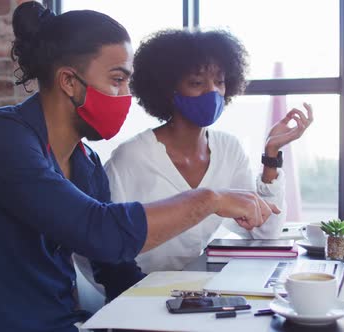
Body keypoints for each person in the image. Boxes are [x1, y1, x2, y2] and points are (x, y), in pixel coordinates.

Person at [0, 3, 278, 332]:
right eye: (117, 80)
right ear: (69, 82)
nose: (126, 96)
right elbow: (99, 233)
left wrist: (191, 305)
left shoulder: (85, 162)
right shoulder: (0, 138)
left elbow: (115, 269)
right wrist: (208, 199)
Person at [77, 28, 313, 296]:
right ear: (168, 90)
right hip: (137, 294)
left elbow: (265, 232)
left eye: (220, 82)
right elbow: (98, 250)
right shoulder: (131, 158)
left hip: (189, 291)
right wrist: (131, 296)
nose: (212, 92)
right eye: (197, 83)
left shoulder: (229, 150)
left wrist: (272, 153)